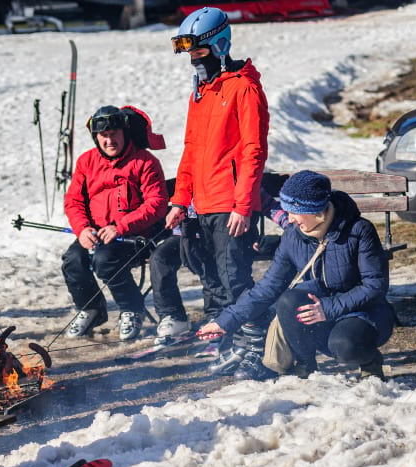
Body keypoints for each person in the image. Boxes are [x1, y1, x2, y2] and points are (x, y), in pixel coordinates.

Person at [197, 170, 396, 380]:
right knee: (288, 300)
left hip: (361, 313)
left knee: (344, 346)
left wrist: (327, 308)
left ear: (314, 211)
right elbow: (268, 286)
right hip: (318, 309)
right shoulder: (293, 235)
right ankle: (305, 365)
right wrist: (225, 321)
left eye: (293, 211)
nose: (289, 219)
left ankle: (370, 362)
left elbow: (375, 285)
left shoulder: (359, 230)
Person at [165, 7, 269, 356]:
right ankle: (222, 342)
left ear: (220, 45)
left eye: (200, 52)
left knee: (234, 279)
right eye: (191, 54)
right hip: (202, 204)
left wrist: (243, 206)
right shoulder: (202, 93)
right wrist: (180, 200)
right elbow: (191, 150)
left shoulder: (244, 89)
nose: (195, 60)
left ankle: (252, 348)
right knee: (210, 280)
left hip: (231, 204)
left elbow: (254, 150)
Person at [62, 105, 168, 341]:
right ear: (96, 137)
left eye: (114, 135)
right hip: (95, 233)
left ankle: (132, 307)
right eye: (104, 136)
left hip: (132, 236)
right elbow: (74, 201)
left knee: (105, 260)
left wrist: (121, 227)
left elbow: (157, 203)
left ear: (125, 133)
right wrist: (82, 229)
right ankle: (91, 309)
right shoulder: (86, 161)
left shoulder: (145, 162)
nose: (110, 141)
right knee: (73, 261)